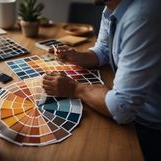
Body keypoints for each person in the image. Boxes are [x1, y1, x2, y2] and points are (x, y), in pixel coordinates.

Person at [42, 0, 161, 161]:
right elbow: (104, 50)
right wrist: (78, 56)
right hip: (134, 114)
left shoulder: (142, 17)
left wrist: (74, 88)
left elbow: (122, 107)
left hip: (149, 128)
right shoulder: (112, 7)